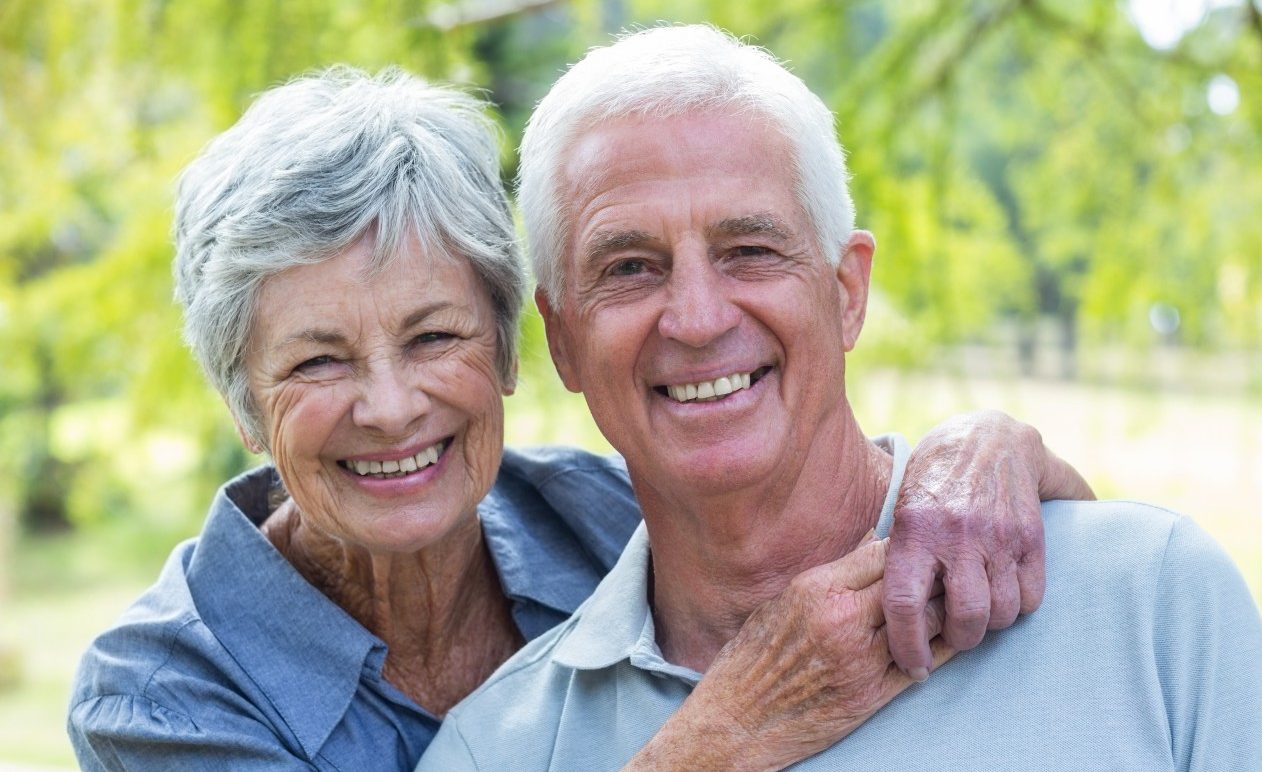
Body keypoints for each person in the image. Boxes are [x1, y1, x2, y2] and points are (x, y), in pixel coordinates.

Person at [67, 67, 1089, 771]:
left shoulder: (598, 509)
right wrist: (721, 738)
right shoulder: (161, 691)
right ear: (244, 401)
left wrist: (987, 448)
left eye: (433, 338)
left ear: (514, 350)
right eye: (317, 361)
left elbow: (874, 503)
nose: (387, 408)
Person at [419, 25, 1262, 771]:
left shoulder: (1151, 603)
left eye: (749, 249)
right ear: (562, 342)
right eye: (629, 268)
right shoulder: (493, 750)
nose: (699, 318)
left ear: (848, 293)